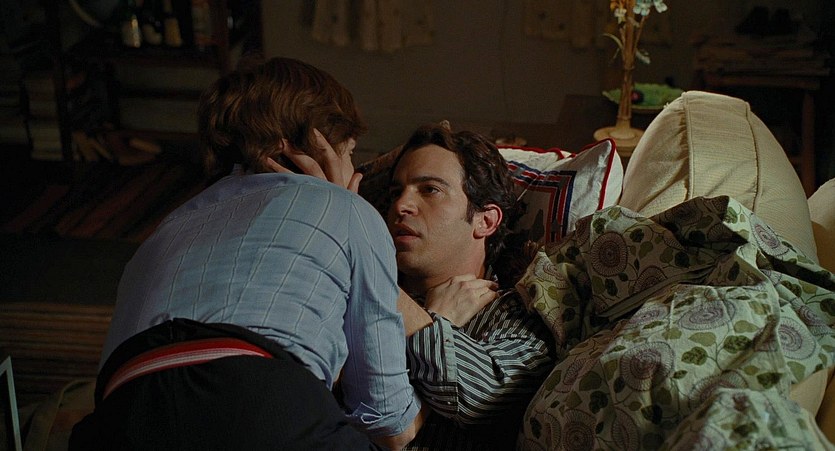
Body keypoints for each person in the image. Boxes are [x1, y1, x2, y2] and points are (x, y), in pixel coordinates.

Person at [69, 56, 423, 450]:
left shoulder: (162, 232)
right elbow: (388, 419)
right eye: (350, 151)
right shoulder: (347, 209)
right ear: (317, 144)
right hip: (257, 404)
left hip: (120, 418)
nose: (354, 166)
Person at [387, 123, 557, 450]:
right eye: (396, 192)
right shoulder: (347, 298)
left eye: (429, 190)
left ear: (485, 220)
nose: (401, 205)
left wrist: (427, 323)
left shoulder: (517, 310)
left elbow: (484, 396)